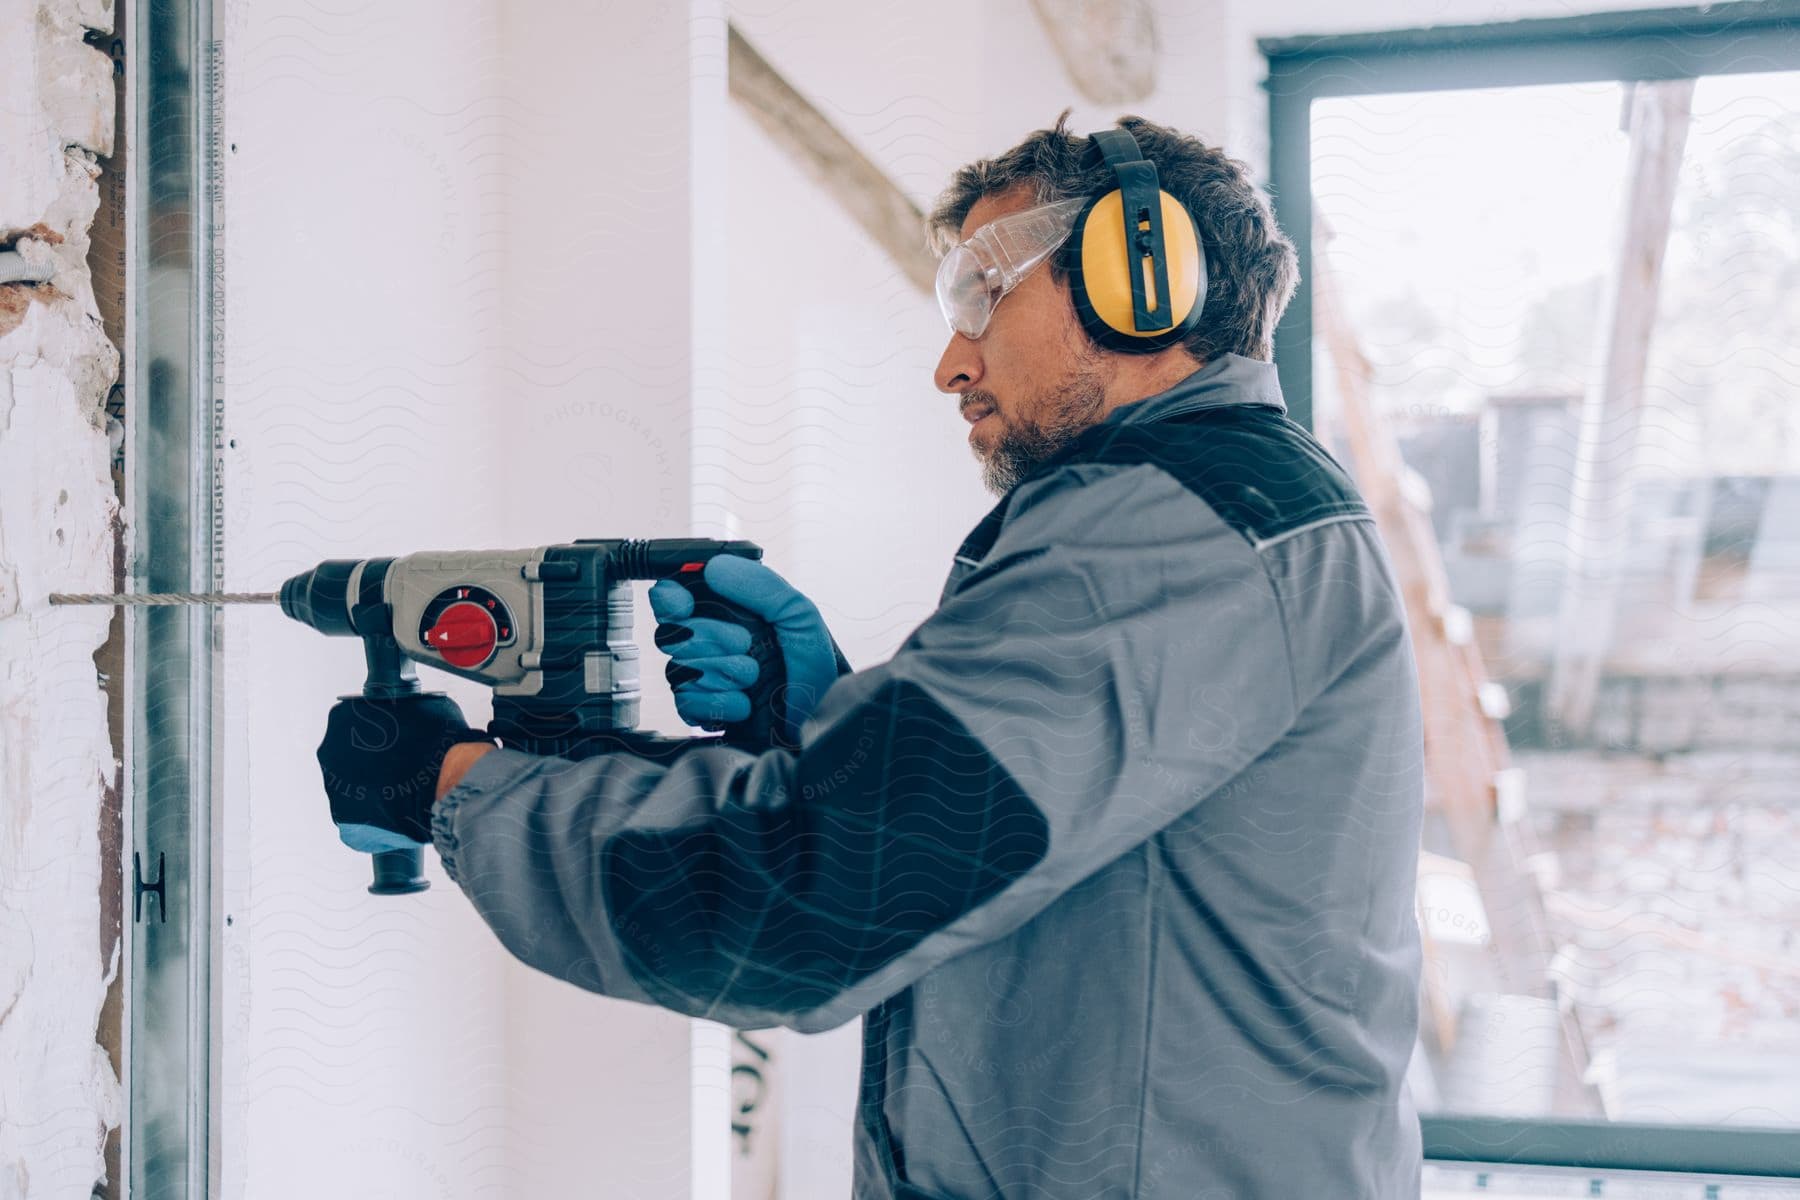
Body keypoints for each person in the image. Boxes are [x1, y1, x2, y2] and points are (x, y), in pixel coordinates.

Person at [316, 112, 1425, 1199]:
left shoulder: (1174, 534)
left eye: (984, 294)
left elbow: (797, 908)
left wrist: (451, 787)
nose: (953, 362)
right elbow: (1042, 869)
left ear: (1141, 274)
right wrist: (835, 720)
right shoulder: (1221, 518)